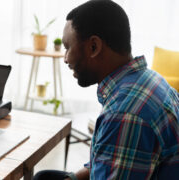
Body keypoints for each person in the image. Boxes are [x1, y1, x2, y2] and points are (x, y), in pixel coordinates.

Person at [34, 0, 179, 180]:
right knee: (44, 177)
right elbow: (110, 161)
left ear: (94, 47)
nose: (65, 58)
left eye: (68, 47)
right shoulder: (149, 80)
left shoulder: (124, 114)